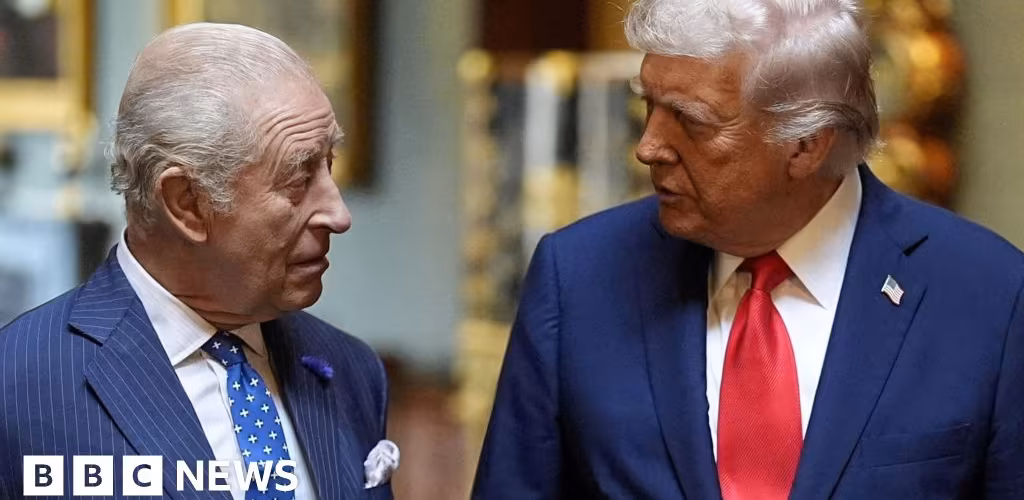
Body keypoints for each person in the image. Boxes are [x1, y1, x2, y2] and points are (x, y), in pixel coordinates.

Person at [473, 1, 1024, 499]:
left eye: (690, 121)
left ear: (806, 144)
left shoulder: (991, 297)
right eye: (650, 106)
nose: (648, 147)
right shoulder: (577, 277)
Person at [0, 23, 395, 499]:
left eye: (328, 165)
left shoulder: (349, 369)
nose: (338, 215)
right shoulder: (19, 385)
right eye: (298, 180)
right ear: (186, 203)